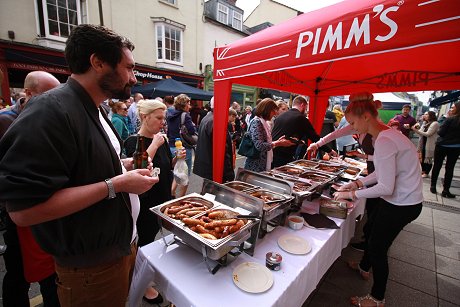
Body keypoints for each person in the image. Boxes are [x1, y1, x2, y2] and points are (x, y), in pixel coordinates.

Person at [0, 24, 159, 307]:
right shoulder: (51, 110)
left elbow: (81, 168)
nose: (134, 78)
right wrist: (118, 184)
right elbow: (24, 211)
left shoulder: (94, 107)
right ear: (97, 62)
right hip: (91, 269)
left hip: (119, 249)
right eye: (129, 68)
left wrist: (119, 166)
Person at [333, 92, 422, 307]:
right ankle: (364, 267)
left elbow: (385, 186)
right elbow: (382, 174)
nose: (352, 127)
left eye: (353, 122)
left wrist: (352, 194)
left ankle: (377, 297)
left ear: (366, 116)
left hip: (403, 203)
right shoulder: (384, 135)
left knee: (377, 248)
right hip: (403, 199)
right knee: (373, 234)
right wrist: (356, 183)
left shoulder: (384, 140)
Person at [0, 71, 61, 307]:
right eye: (48, 94)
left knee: (49, 274)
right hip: (20, 212)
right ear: (28, 93)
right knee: (19, 272)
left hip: (47, 211)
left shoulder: (49, 118)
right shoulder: (6, 121)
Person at [124, 99, 175, 305]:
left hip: (161, 200)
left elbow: (164, 167)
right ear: (145, 117)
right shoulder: (132, 141)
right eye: (159, 118)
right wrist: (154, 144)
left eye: (164, 118)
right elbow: (140, 168)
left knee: (152, 238)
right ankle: (140, 285)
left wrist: (176, 159)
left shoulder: (161, 139)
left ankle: (142, 277)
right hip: (144, 202)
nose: (163, 122)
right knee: (143, 242)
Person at [271, 95, 336, 167]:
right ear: (302, 105)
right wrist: (330, 150)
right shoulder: (301, 118)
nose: (305, 111)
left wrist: (299, 141)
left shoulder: (281, 116)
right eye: (305, 108)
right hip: (284, 155)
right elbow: (315, 137)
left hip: (272, 152)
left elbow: (285, 133)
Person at [244, 98, 294, 172]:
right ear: (267, 110)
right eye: (273, 111)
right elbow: (259, 145)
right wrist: (277, 143)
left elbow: (266, 142)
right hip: (256, 166)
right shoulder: (257, 122)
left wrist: (277, 141)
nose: (275, 113)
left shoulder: (263, 122)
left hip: (261, 164)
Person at [193, 97, 235, 182]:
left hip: (208, 167)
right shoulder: (216, 121)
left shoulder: (207, 118)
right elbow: (223, 150)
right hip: (215, 169)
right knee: (215, 193)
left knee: (209, 192)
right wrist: (229, 173)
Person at [166, 94, 196, 197]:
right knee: (184, 175)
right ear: (184, 104)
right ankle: (181, 198)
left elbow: (168, 131)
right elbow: (191, 131)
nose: (190, 106)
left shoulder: (169, 114)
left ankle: (171, 192)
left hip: (171, 145)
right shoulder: (185, 115)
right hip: (183, 147)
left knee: (176, 171)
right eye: (188, 103)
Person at [430, 102, 460, 198]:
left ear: (457, 109)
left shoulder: (450, 119)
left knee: (437, 166)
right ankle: (446, 190)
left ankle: (433, 186)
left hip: (442, 145)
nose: (451, 109)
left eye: (452, 107)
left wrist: (444, 120)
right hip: (456, 147)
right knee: (450, 168)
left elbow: (440, 132)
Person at [412, 111, 439, 178]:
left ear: (431, 115)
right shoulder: (425, 123)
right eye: (425, 114)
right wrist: (416, 128)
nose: (425, 115)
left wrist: (416, 130)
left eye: (427, 114)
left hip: (430, 144)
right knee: (422, 157)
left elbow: (428, 134)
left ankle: (426, 172)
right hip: (423, 143)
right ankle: (422, 171)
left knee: (428, 158)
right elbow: (420, 133)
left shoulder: (435, 123)